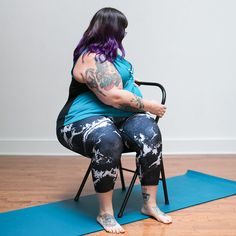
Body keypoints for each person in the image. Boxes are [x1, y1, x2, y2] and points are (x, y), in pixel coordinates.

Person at [56, 7, 172, 234]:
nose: (124, 34)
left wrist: (131, 82)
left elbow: (120, 83)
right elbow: (114, 97)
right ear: (112, 31)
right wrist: (150, 106)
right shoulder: (91, 57)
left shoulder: (114, 59)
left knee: (150, 134)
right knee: (108, 139)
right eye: (122, 29)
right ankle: (105, 213)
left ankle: (149, 204)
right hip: (82, 119)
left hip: (123, 118)